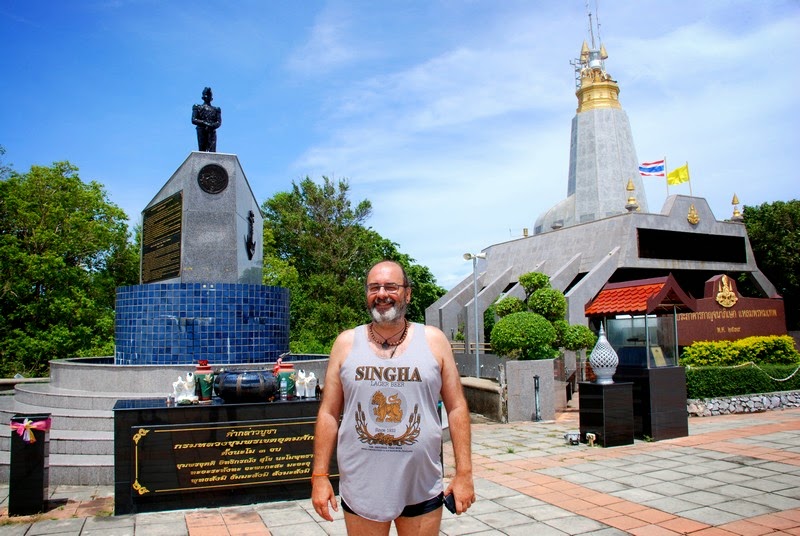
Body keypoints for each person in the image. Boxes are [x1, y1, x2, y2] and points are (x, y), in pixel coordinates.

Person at [312, 260, 475, 535]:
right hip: (362, 486)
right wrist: (319, 476)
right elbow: (328, 413)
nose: (382, 294)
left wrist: (464, 474)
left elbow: (457, 407)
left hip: (421, 484)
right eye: (374, 287)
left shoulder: (434, 341)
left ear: (407, 294)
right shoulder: (346, 343)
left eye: (391, 286)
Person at [191, 87, 222, 152]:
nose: (207, 97)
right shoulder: (197, 107)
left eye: (209, 95)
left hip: (212, 131)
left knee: (212, 151)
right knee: (202, 150)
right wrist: (205, 123)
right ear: (203, 97)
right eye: (206, 95)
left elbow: (218, 122)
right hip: (201, 130)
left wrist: (211, 125)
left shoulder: (216, 109)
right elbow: (194, 119)